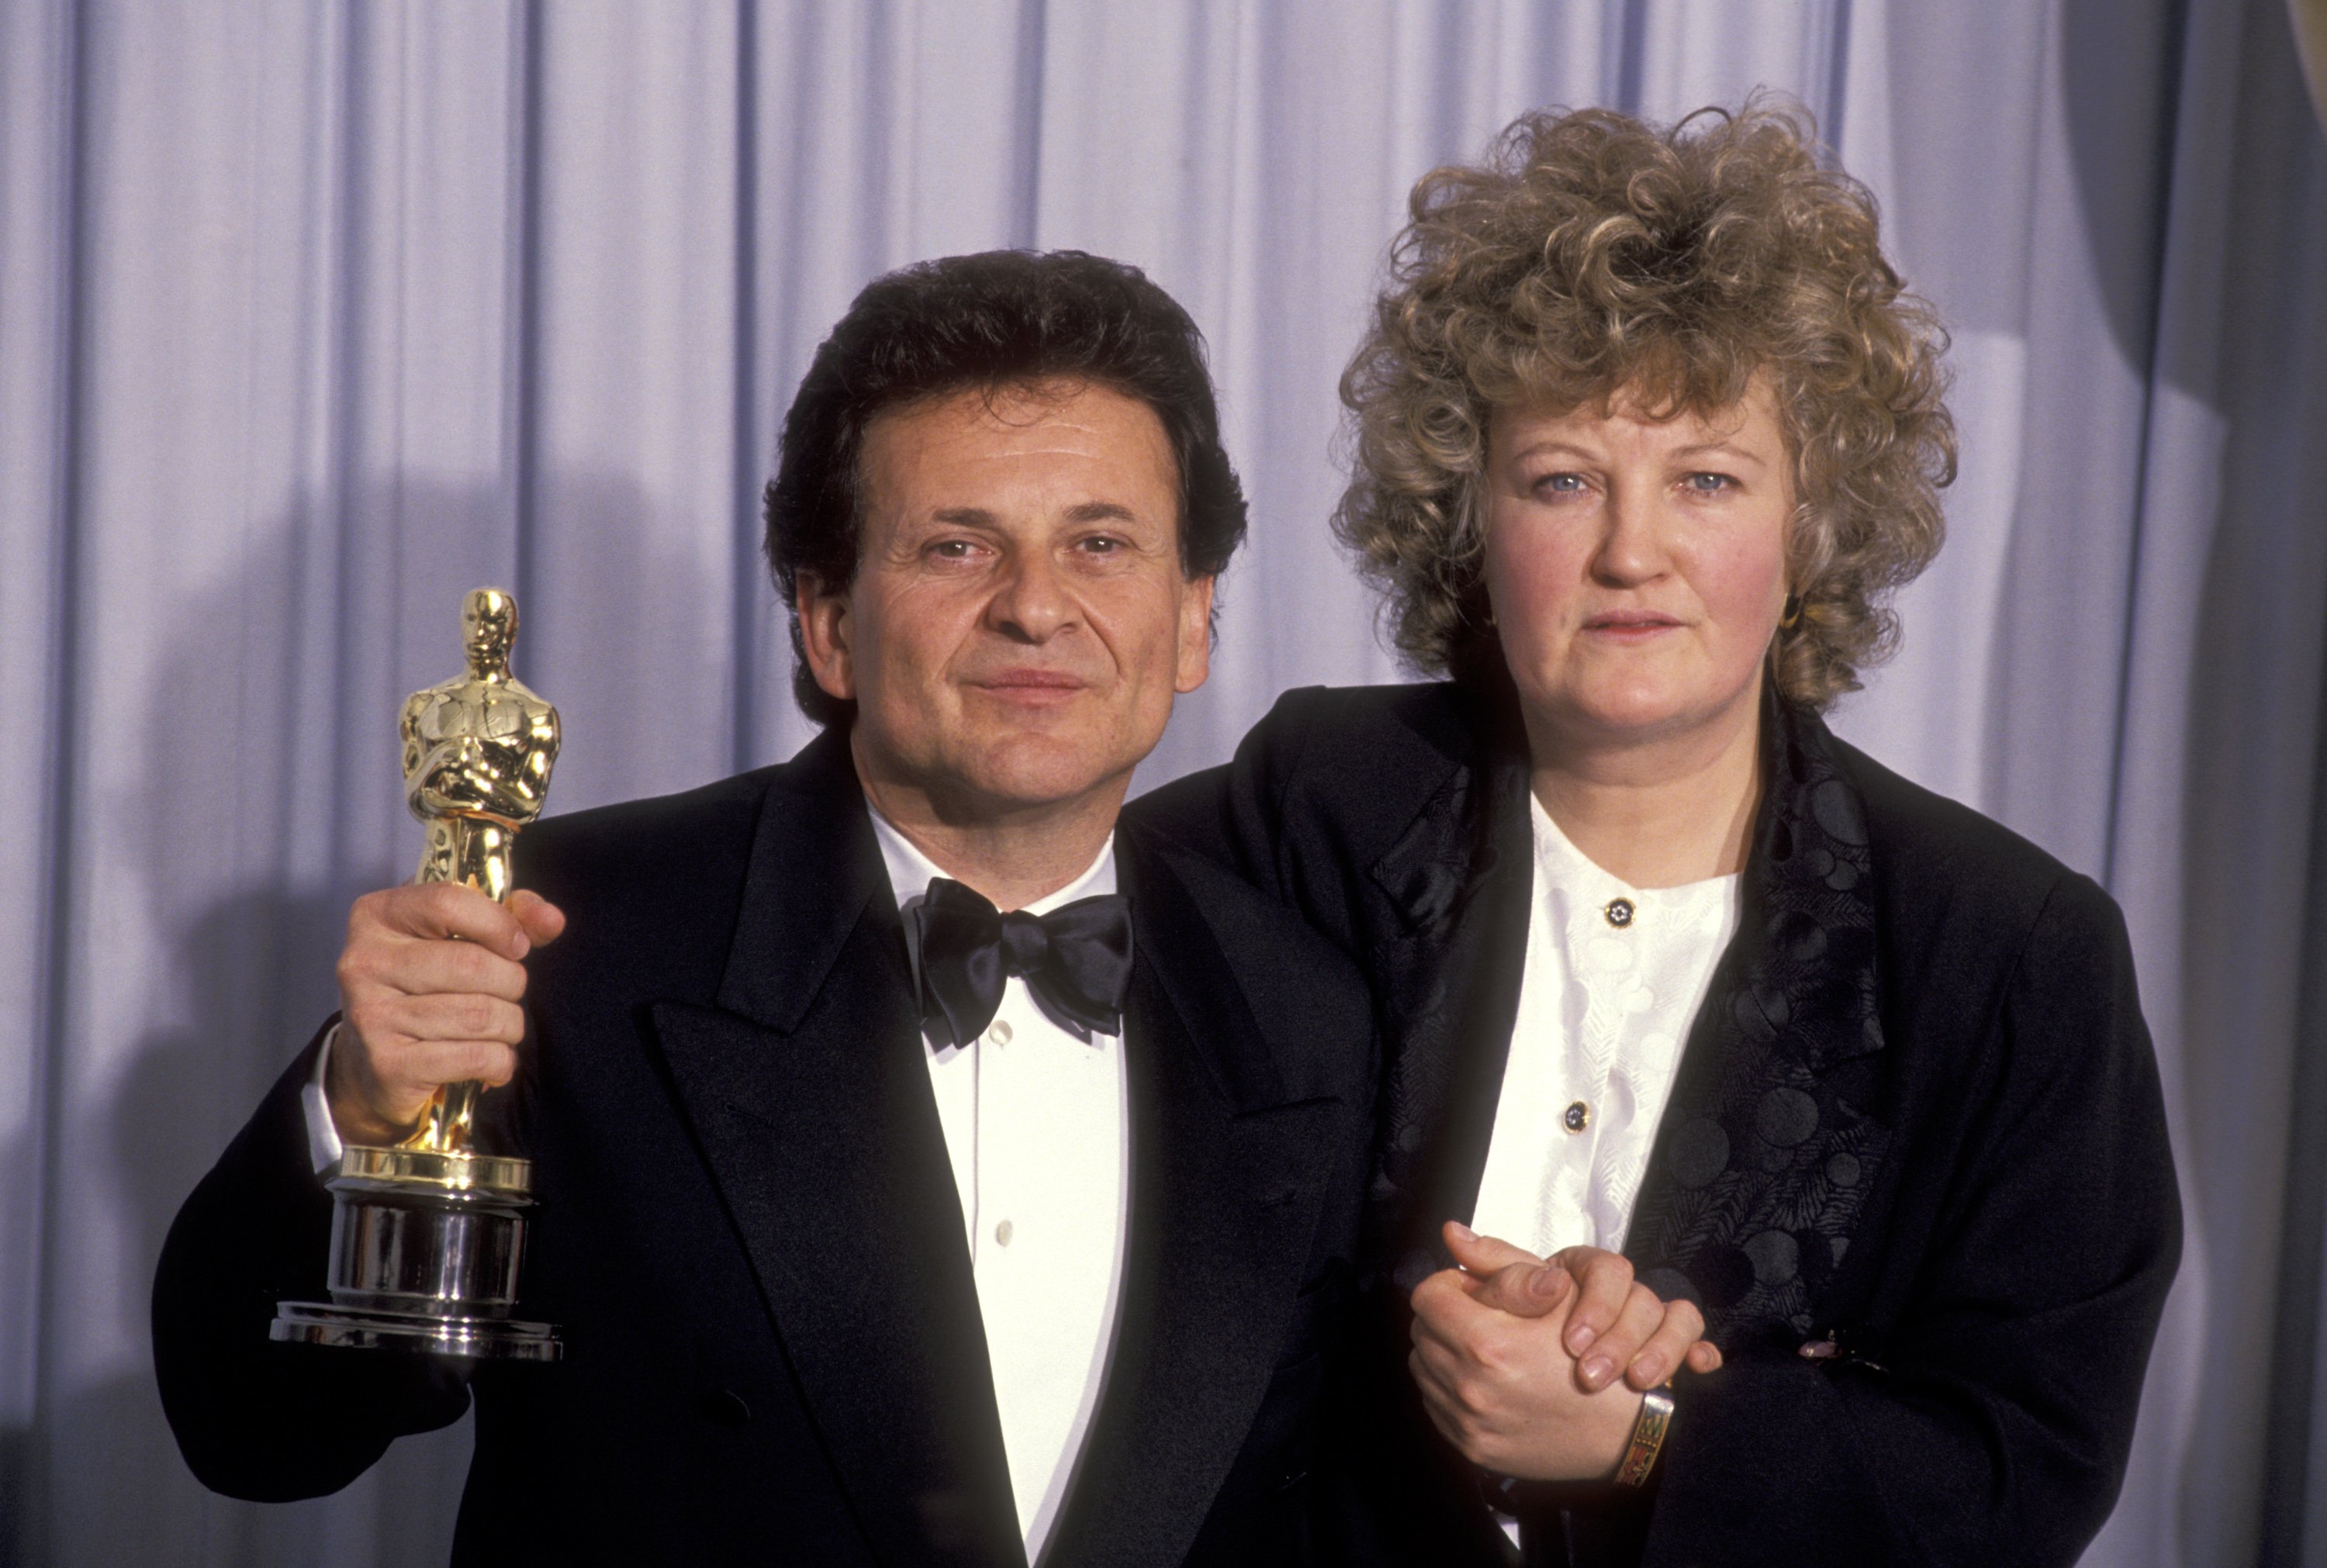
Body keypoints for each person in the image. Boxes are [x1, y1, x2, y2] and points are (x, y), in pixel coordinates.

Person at [157, 250, 1407, 1566]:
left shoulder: (1304, 1008)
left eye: (1101, 544)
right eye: (956, 545)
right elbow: (261, 1434)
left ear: (1194, 617)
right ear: (827, 622)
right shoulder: (564, 939)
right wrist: (363, 1104)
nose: (1038, 606)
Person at [1136, 102, 2181, 1566]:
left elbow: (2026, 1468)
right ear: (1468, 519)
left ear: (1810, 522)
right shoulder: (1309, 810)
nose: (1633, 551)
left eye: (1706, 478)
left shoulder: (2009, 953)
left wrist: (1647, 1436)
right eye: (1563, 477)